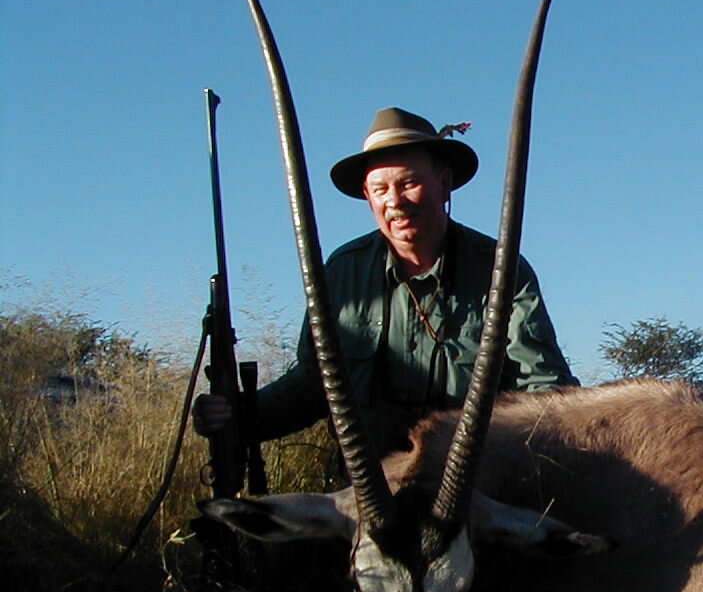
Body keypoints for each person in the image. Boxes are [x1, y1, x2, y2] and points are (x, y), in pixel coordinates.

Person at [193, 106, 577, 458]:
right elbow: (312, 385)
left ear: (444, 184)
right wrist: (238, 417)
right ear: (367, 195)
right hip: (367, 488)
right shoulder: (342, 272)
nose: (395, 201)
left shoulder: (501, 269)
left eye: (409, 183)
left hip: (475, 488)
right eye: (380, 190)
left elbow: (545, 389)